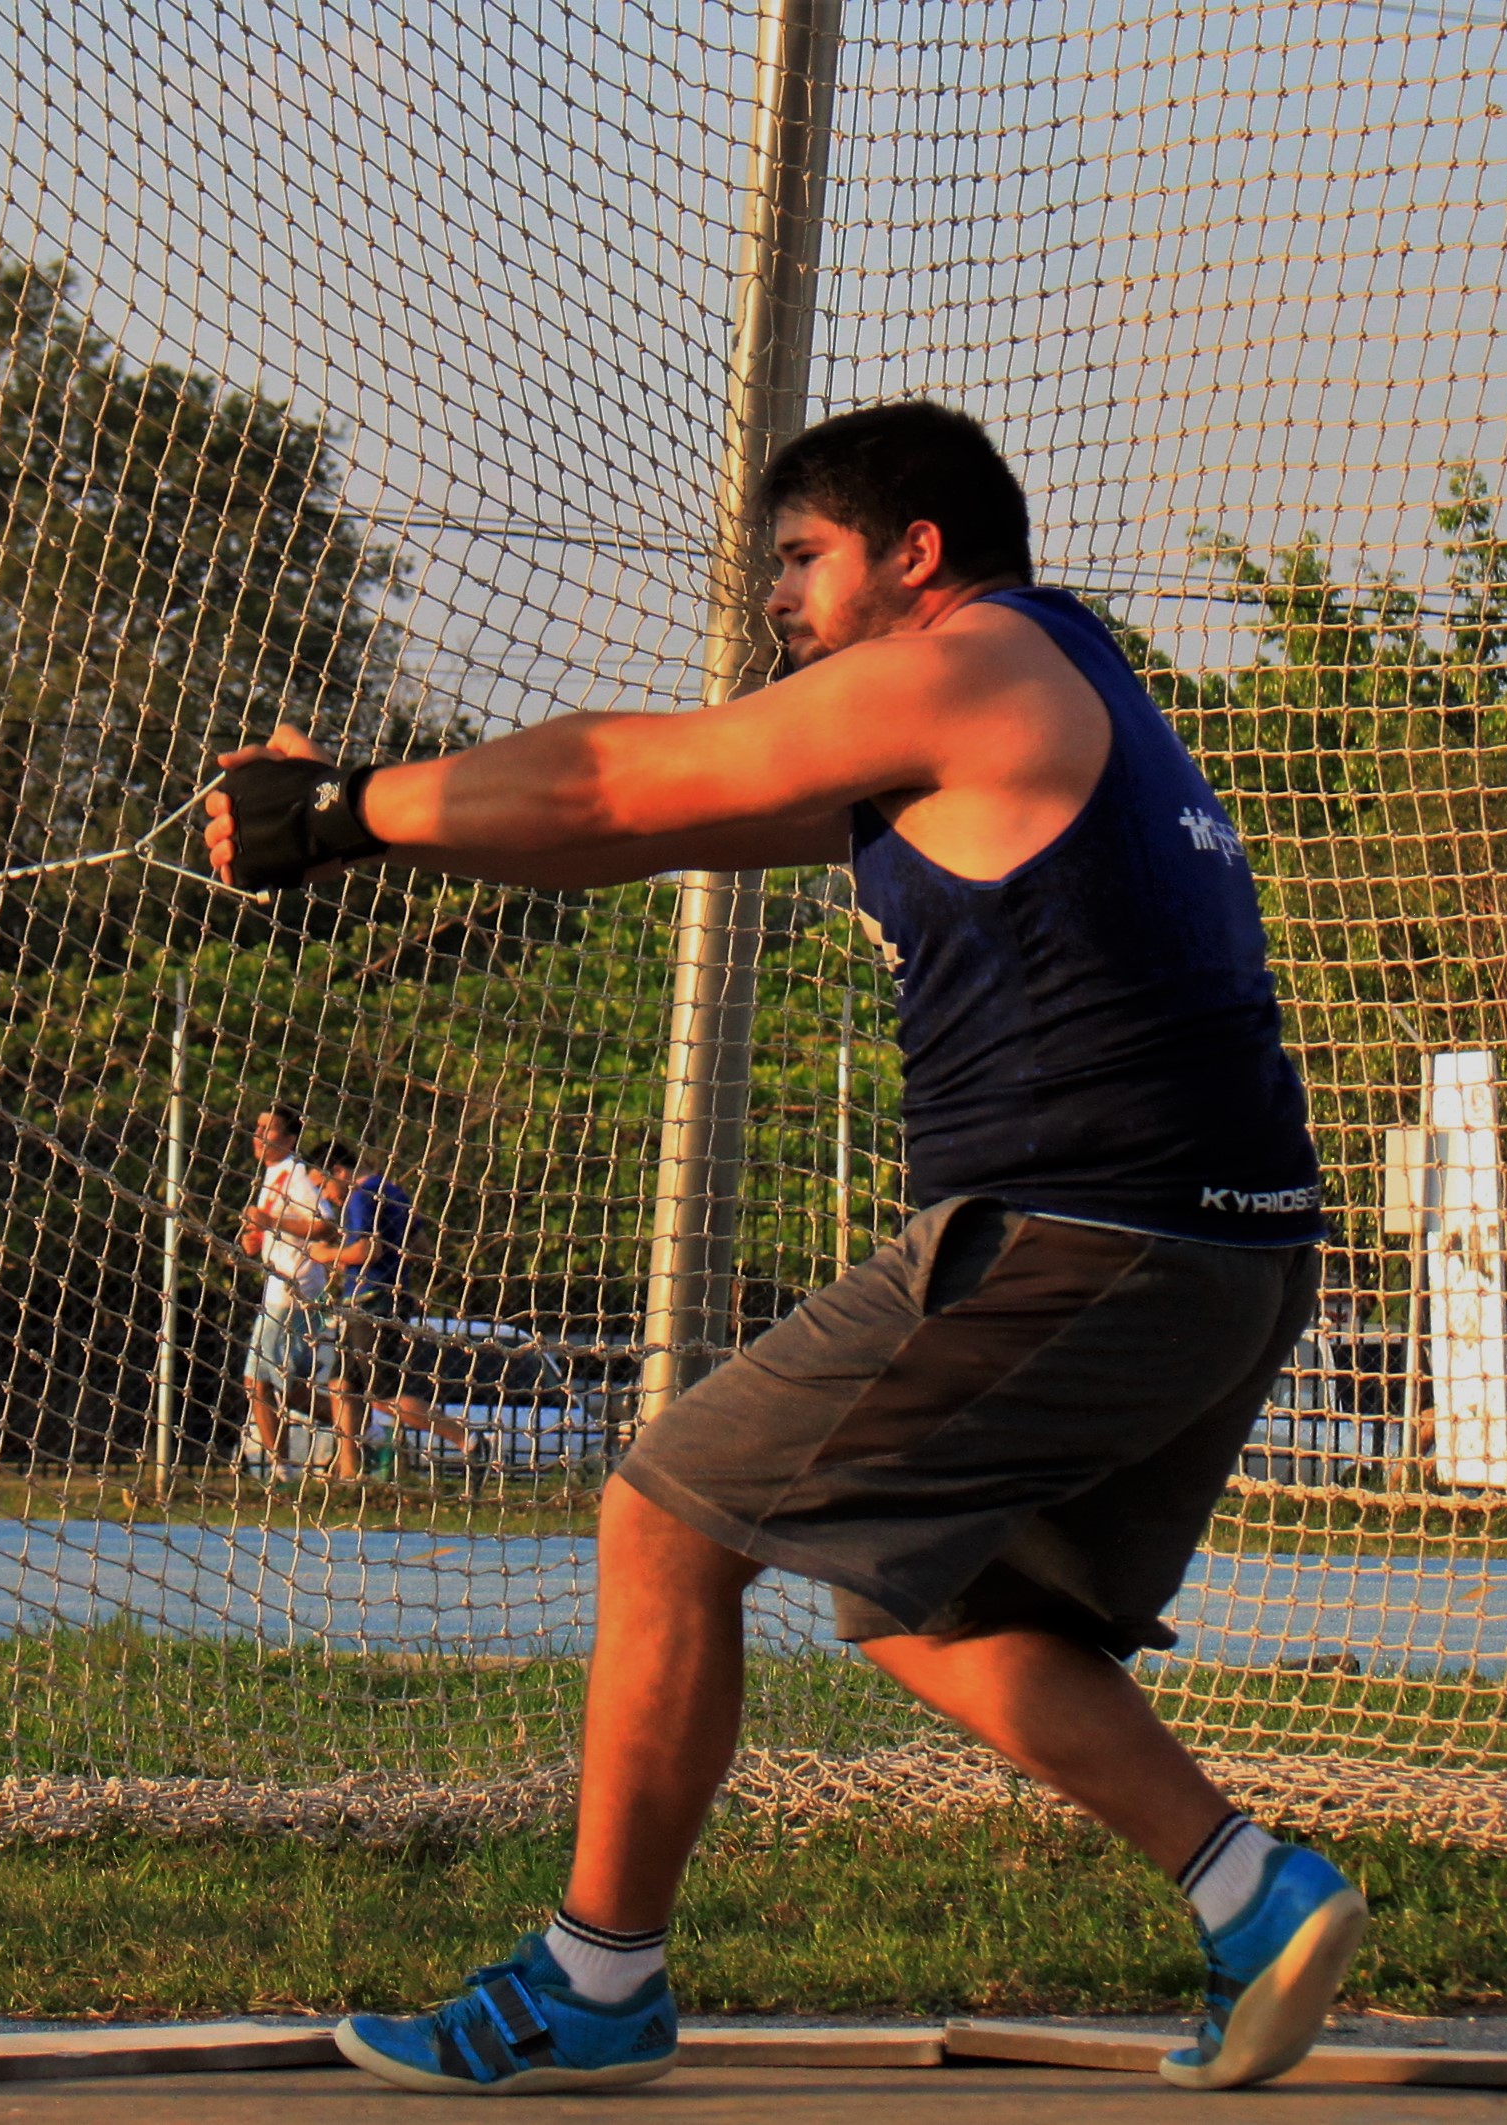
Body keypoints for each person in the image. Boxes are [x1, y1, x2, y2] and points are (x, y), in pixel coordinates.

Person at [206, 401, 1353, 2097]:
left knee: (664, 1515)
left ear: (915, 554)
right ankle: (1258, 1901)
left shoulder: (957, 665)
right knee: (928, 1600)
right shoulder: (1050, 690)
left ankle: (597, 1983)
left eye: (801, 563)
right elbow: (634, 825)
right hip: (1227, 1259)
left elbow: (608, 769)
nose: (777, 605)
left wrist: (350, 805)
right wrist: (359, 820)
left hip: (1071, 1236)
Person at [311, 1145, 476, 1464]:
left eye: (324, 1185)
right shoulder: (394, 1192)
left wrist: (328, 1256)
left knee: (384, 1397)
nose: (326, 1195)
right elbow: (422, 1246)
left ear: (339, 1171)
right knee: (342, 1384)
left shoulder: (360, 1196)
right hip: (385, 1298)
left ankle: (467, 1439)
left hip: (372, 1302)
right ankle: (349, 1471)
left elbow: (366, 1251)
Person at [236, 1104, 333, 1477]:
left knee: (258, 1381)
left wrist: (271, 1221)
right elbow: (280, 1232)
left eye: (269, 1128)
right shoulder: (271, 1176)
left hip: (294, 1293)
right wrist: (256, 1241)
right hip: (278, 1290)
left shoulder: (295, 1174)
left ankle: (282, 1467)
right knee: (280, 1386)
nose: (259, 1134)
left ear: (290, 1139)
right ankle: (362, 1427)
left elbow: (325, 1226)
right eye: (257, 1126)